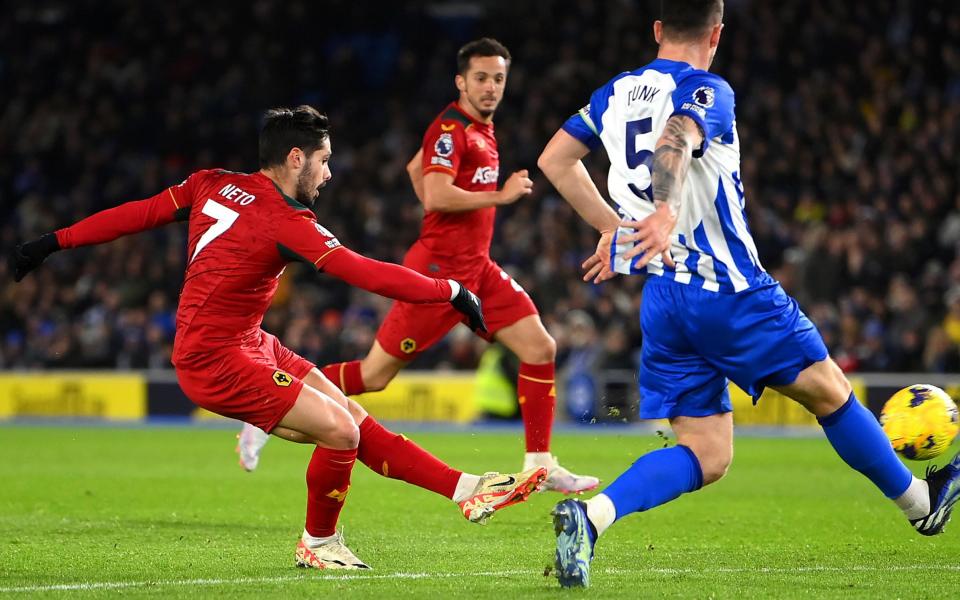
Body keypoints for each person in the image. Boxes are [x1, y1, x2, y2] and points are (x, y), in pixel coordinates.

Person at [9, 105, 547, 570]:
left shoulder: (210, 183)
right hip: (212, 358)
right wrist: (448, 289)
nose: (329, 173)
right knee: (341, 431)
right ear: (297, 157)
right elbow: (363, 272)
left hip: (248, 341)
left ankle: (467, 491)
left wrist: (52, 242)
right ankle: (319, 543)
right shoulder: (287, 220)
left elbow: (136, 215)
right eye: (325, 160)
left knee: (353, 418)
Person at [537, 0, 960, 588]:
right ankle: (921, 504)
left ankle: (591, 516)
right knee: (832, 393)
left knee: (708, 453)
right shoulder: (709, 88)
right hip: (731, 291)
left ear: (658, 30)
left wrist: (614, 230)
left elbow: (554, 160)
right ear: (716, 34)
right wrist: (662, 211)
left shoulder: (613, 93)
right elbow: (677, 136)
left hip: (665, 300)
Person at [236, 38, 599, 495]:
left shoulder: (480, 129)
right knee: (374, 376)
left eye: (498, 79)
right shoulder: (451, 129)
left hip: (478, 270)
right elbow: (435, 193)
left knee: (540, 347)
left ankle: (540, 465)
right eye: (481, 78)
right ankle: (268, 409)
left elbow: (414, 168)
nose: (490, 87)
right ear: (461, 81)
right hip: (437, 274)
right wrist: (500, 196)